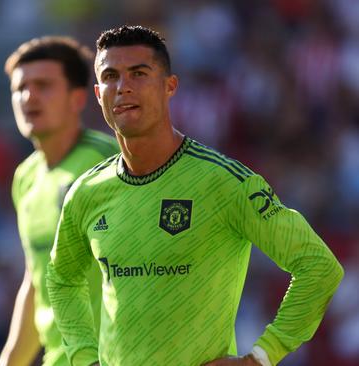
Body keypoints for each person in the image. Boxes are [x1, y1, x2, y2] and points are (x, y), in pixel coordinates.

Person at [46, 25, 344, 366]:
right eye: (110, 76)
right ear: (98, 94)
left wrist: (261, 357)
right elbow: (62, 279)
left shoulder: (222, 182)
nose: (123, 87)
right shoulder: (87, 193)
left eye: (139, 73)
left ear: (169, 86)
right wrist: (85, 359)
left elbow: (318, 266)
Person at [0, 36, 119, 366]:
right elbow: (36, 280)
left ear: (78, 98)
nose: (29, 96)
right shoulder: (25, 178)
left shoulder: (107, 164)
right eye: (20, 88)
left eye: (44, 85)